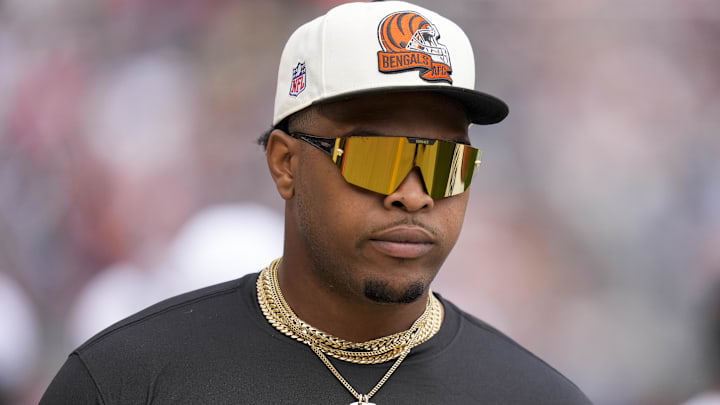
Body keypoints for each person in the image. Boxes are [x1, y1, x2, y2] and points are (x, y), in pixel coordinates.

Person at [41, 1, 592, 404]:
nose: (413, 194)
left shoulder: (538, 396)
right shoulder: (125, 382)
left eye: (447, 164)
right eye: (376, 157)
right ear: (285, 164)